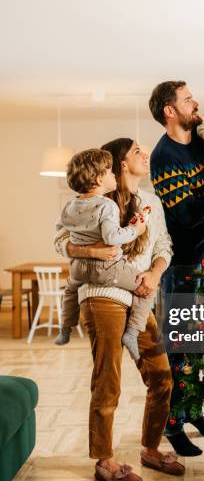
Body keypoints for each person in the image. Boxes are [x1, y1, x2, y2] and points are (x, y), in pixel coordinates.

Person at [54, 138, 184, 481]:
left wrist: (155, 274)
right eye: (138, 151)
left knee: (161, 376)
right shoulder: (96, 199)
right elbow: (59, 241)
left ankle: (150, 449)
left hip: (140, 295)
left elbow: (163, 246)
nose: (146, 154)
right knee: (108, 379)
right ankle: (105, 460)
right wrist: (93, 252)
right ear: (121, 163)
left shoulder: (151, 202)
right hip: (103, 296)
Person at [149, 80, 204, 456]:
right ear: (170, 112)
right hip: (183, 264)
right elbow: (187, 216)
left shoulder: (203, 141)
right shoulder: (164, 157)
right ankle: (172, 426)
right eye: (187, 99)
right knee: (181, 348)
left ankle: (193, 410)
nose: (195, 102)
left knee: (202, 344)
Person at [54, 147, 152, 363]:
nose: (114, 174)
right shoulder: (107, 205)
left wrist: (83, 240)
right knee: (146, 289)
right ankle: (133, 333)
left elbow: (59, 227)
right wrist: (136, 230)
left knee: (70, 290)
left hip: (78, 268)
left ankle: (65, 328)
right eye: (109, 171)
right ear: (98, 179)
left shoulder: (70, 204)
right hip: (107, 270)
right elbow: (111, 237)